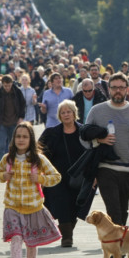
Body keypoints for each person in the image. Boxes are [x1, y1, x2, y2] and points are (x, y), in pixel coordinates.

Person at [0, 122, 62, 258]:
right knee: (16, 238)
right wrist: (5, 175)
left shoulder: (38, 159)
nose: (21, 140)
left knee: (32, 242)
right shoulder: (7, 159)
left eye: (25, 137)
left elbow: (56, 176)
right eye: (18, 136)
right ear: (14, 139)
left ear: (31, 139)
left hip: (33, 208)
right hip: (12, 206)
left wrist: (40, 179)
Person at [86, 73, 129, 230]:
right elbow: (83, 137)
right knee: (114, 210)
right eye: (114, 87)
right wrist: (98, 141)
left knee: (123, 211)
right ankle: (116, 252)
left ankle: (119, 248)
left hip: (128, 169)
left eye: (121, 88)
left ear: (127, 89)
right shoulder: (97, 111)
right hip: (105, 168)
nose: (117, 91)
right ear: (108, 89)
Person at [38, 100, 86, 247]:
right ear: (59, 115)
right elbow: (38, 150)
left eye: (68, 112)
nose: (66, 115)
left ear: (74, 113)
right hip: (57, 177)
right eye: (63, 112)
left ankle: (65, 230)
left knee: (76, 207)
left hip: (79, 177)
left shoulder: (83, 132)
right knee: (62, 203)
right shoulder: (52, 133)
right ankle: (67, 238)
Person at [0, 75, 26, 163]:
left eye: (9, 85)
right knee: (1, 146)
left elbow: (23, 105)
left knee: (13, 146)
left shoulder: (17, 92)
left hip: (14, 123)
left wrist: (21, 117)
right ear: (2, 84)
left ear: (12, 83)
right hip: (1, 123)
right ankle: (1, 165)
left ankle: (12, 164)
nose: (7, 88)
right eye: (5, 86)